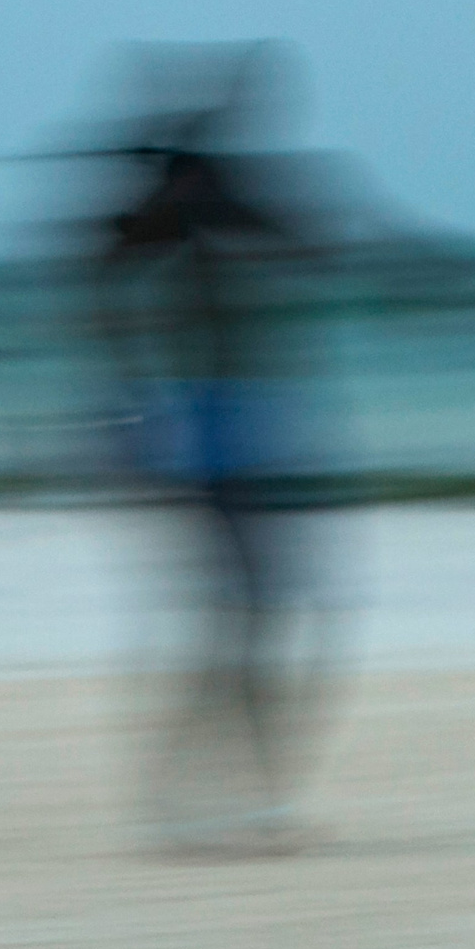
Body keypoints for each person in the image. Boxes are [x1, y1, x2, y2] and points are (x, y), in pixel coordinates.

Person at [78, 44, 335, 852]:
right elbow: (309, 246)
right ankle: (219, 801)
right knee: (250, 621)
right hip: (216, 430)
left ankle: (216, 799)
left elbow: (309, 247)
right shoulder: (196, 203)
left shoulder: (190, 204)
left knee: (248, 621)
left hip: (232, 424)